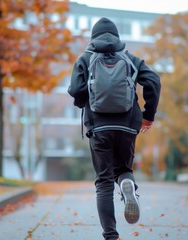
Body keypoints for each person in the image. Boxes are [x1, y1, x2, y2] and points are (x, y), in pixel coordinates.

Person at [68, 17, 161, 240]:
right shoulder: (130, 59)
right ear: (117, 37)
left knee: (104, 181)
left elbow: (75, 90)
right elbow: (154, 81)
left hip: (99, 127)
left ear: (93, 38)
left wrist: (85, 100)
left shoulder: (85, 59)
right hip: (127, 125)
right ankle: (127, 183)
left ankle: (111, 235)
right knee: (123, 169)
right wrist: (148, 115)